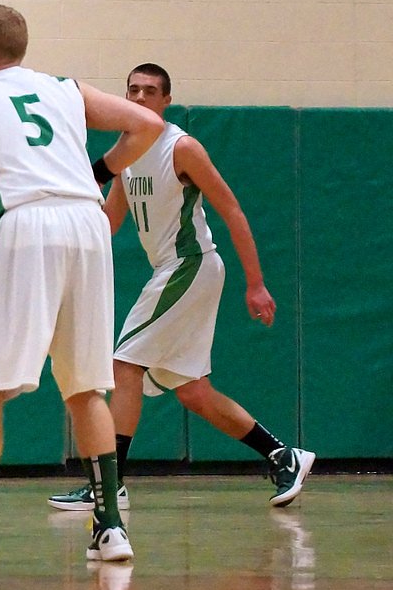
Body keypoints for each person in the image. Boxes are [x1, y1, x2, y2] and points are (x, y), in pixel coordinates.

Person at [0, 5, 164, 565]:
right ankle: (110, 527)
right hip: (88, 223)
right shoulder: (65, 88)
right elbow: (147, 125)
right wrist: (96, 174)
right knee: (85, 385)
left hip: (24, 228)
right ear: (21, 47)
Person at [48, 63, 315, 513]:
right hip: (171, 270)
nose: (138, 98)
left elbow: (231, 209)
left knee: (123, 365)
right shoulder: (125, 153)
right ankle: (284, 455)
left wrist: (256, 284)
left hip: (191, 265)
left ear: (165, 100)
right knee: (192, 391)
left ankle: (108, 485)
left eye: (149, 91)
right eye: (132, 90)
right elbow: (110, 223)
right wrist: (64, 232)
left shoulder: (181, 147)